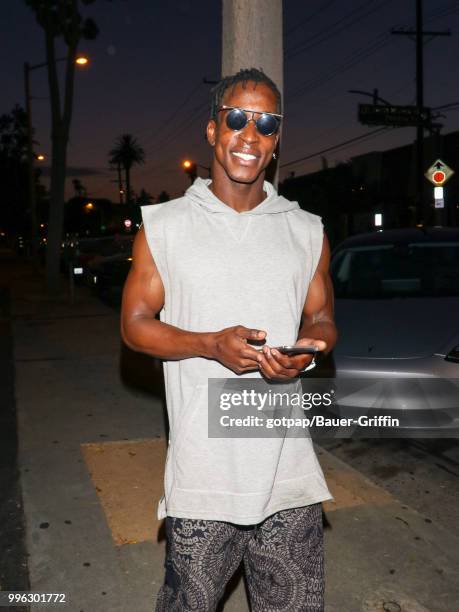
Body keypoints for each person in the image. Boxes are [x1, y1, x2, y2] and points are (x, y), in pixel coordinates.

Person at [121, 67, 338, 612]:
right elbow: (135, 324)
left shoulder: (305, 229)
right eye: (237, 118)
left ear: (277, 137)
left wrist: (308, 353)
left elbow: (322, 318)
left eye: (266, 124)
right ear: (213, 130)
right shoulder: (165, 226)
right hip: (203, 479)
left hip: (289, 479)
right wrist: (209, 344)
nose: (250, 134)